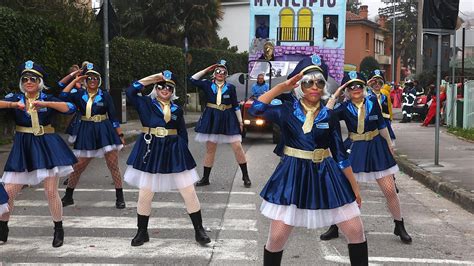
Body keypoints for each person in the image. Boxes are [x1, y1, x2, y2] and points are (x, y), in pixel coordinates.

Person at [250, 55, 368, 265]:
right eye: (308, 82)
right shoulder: (285, 109)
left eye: (319, 82)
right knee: (276, 238)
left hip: (326, 173)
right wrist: (281, 87)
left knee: (356, 230)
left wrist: (355, 188)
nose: (314, 86)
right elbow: (255, 109)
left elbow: (340, 155)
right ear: (299, 86)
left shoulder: (329, 115)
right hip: (292, 174)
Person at [320, 71, 412, 245]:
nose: (355, 89)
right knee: (345, 190)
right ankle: (335, 226)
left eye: (359, 85)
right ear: (346, 90)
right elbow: (325, 114)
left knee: (390, 190)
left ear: (364, 87)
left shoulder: (372, 102)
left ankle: (399, 225)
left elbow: (381, 124)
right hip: (354, 149)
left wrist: (389, 144)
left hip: (377, 148)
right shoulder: (343, 108)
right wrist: (336, 93)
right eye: (351, 86)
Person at [125, 70, 211, 246]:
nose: (165, 90)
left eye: (169, 88)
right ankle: (142, 232)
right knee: (145, 193)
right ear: (156, 88)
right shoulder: (145, 103)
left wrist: (182, 151)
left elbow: (182, 133)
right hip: (151, 149)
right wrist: (154, 77)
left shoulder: (177, 109)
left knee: (188, 191)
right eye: (161, 86)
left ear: (173, 92)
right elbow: (130, 92)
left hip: (174, 150)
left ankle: (199, 230)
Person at [0, 60, 78, 247]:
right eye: (25, 78)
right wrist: (13, 106)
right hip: (23, 148)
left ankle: (58, 229)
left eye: (33, 78)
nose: (29, 81)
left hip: (47, 147)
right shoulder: (15, 98)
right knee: (8, 192)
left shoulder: (48, 97)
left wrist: (47, 103)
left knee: (51, 191)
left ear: (40, 81)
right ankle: (3, 227)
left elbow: (71, 108)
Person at [59, 63, 126, 209]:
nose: (92, 80)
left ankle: (119, 197)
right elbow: (63, 95)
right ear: (86, 80)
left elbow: (113, 117)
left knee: (113, 165)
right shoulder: (79, 95)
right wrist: (76, 79)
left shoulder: (105, 95)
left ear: (99, 80)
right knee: (78, 166)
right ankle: (69, 196)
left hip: (105, 130)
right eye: (89, 78)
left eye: (95, 78)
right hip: (86, 131)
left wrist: (120, 134)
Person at [190, 60, 251, 188]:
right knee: (210, 149)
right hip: (212, 118)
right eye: (218, 71)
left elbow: (235, 106)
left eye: (223, 72)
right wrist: (206, 69)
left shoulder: (231, 88)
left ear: (226, 74)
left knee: (237, 147)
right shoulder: (207, 84)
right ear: (214, 73)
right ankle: (206, 178)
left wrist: (240, 122)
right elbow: (192, 79)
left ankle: (245, 176)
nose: (220, 73)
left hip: (228, 118)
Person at [367, 70, 396, 142]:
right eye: (374, 82)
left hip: (384, 124)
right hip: (370, 125)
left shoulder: (384, 97)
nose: (377, 84)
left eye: (380, 82)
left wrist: (389, 120)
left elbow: (387, 110)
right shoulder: (367, 96)